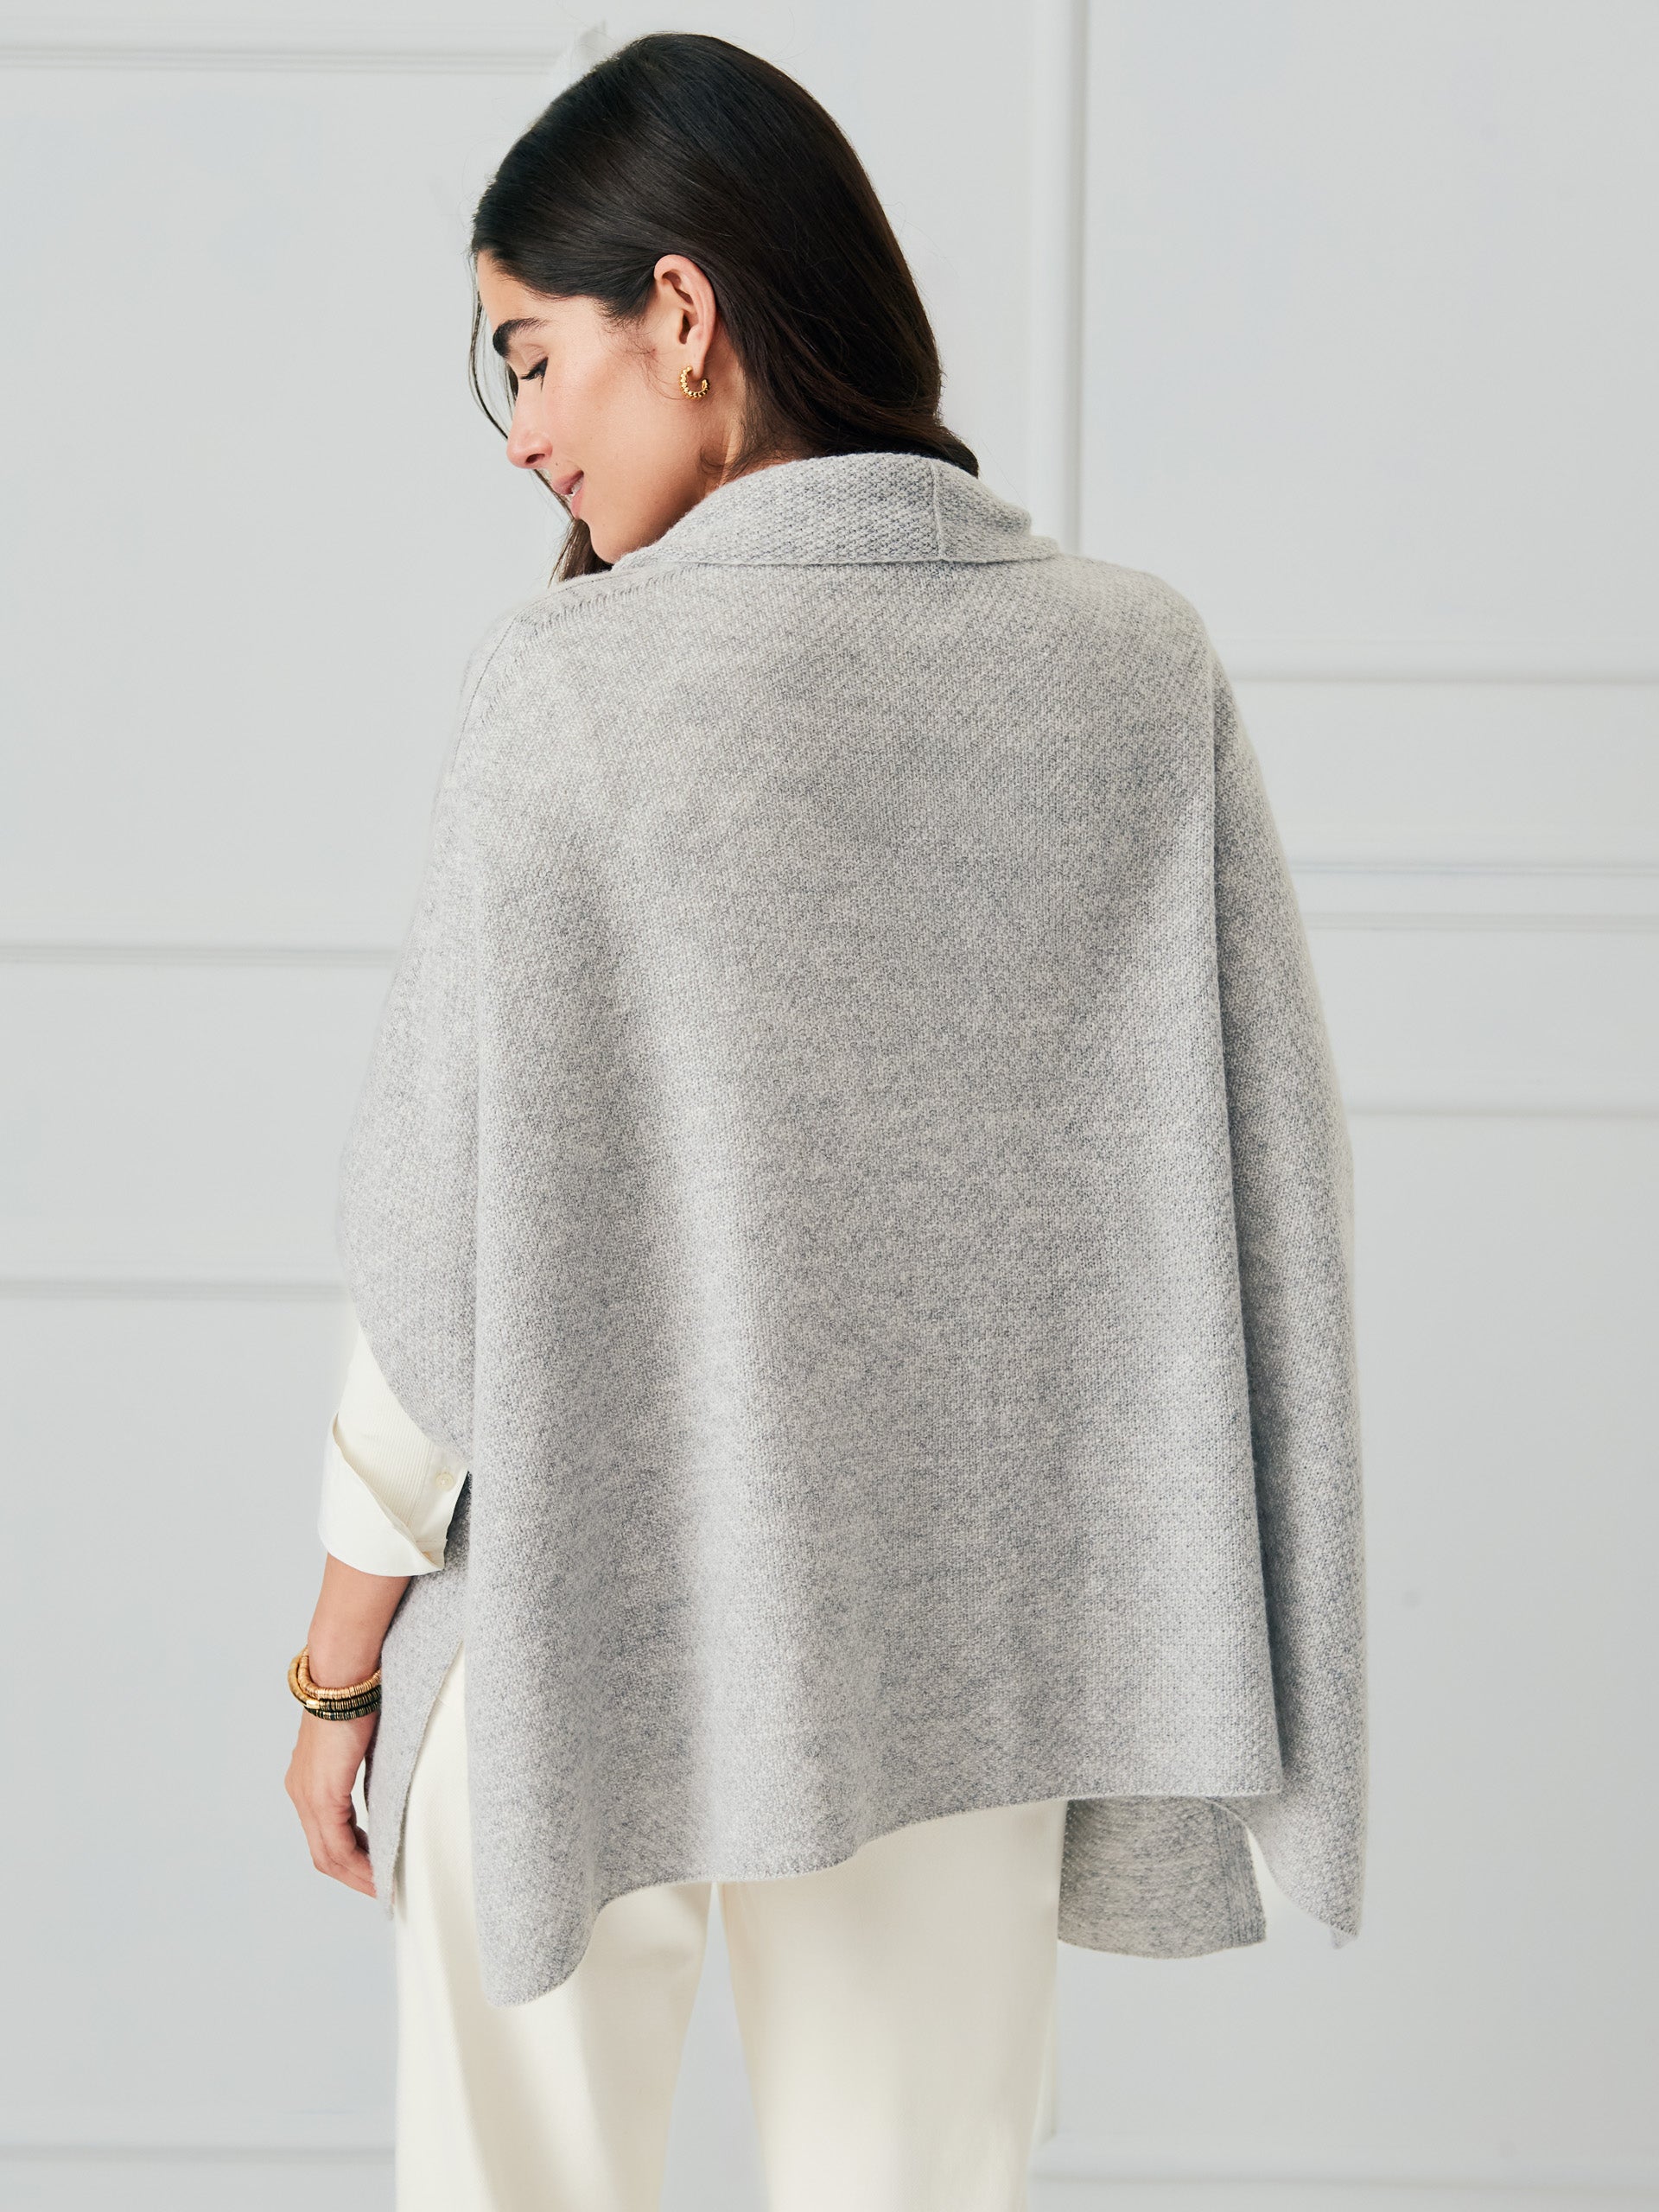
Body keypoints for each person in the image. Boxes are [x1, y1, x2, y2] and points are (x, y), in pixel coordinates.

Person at [283, 29, 1367, 2212]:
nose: (523, 433)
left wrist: (335, 1670)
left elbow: (437, 1263)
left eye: (531, 357)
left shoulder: (566, 693)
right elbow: (1268, 1190)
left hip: (594, 1620)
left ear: (682, 311)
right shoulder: (1136, 669)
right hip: (953, 1656)